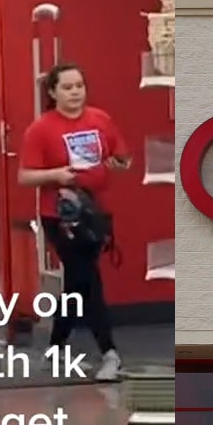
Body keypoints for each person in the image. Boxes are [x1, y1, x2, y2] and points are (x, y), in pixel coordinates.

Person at [19, 63, 131, 381]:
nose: (75, 93)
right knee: (88, 278)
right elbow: (25, 176)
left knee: (77, 283)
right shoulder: (40, 129)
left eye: (79, 86)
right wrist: (55, 175)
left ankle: (55, 345)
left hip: (93, 211)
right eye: (67, 87)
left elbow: (122, 156)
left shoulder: (100, 120)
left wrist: (119, 162)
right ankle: (109, 352)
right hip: (60, 214)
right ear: (53, 92)